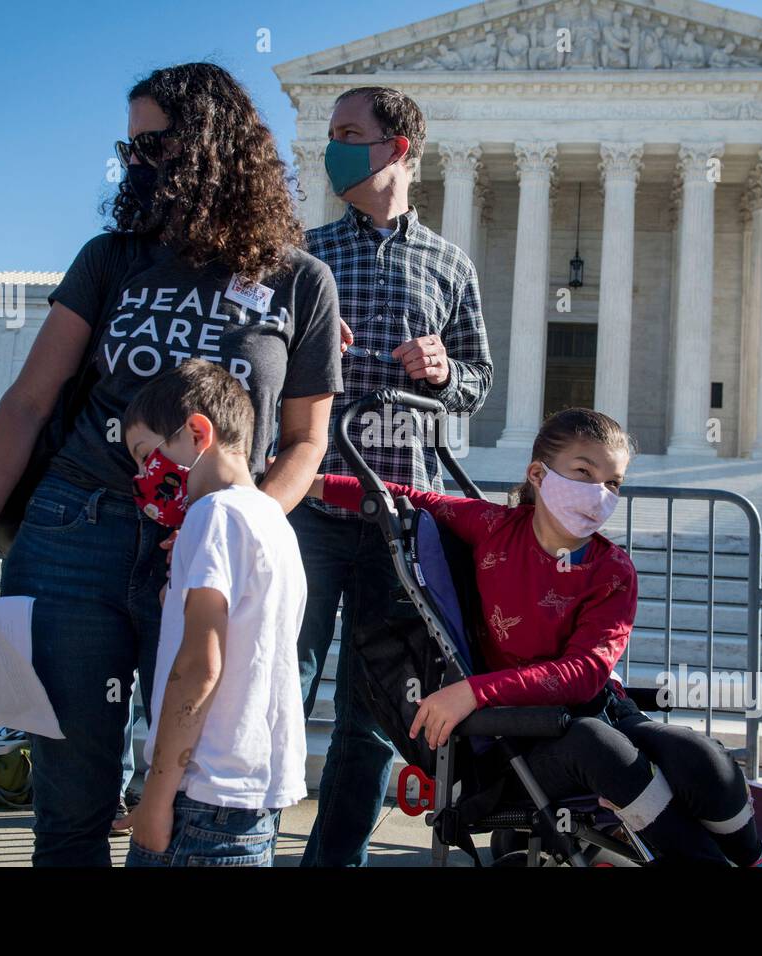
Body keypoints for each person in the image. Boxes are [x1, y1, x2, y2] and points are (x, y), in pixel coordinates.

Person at [0, 62, 341, 866]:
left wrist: (234, 518)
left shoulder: (300, 282)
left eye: (157, 143)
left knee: (185, 794)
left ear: (214, 143)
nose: (138, 162)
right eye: (131, 148)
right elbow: (25, 405)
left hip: (198, 550)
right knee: (72, 801)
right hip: (74, 529)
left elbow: (304, 442)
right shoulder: (112, 258)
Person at [306, 408, 762, 866]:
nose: (600, 494)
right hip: (515, 745)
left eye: (613, 483)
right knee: (596, 743)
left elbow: (586, 675)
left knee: (699, 755)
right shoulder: (494, 528)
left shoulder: (611, 570)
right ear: (538, 473)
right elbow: (404, 498)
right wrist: (305, 482)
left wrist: (473, 691)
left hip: (594, 711)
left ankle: (754, 860)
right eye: (584, 473)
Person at [295, 85, 493, 866]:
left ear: (398, 149)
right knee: (279, 679)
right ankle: (235, 838)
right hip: (308, 501)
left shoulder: (450, 264)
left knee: (371, 715)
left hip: (399, 517)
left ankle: (331, 861)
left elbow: (478, 378)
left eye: (349, 134)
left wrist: (446, 371)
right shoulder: (304, 254)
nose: (332, 147)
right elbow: (262, 364)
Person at [114, 360, 307, 866]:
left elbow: (200, 667)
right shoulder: (273, 520)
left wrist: (155, 797)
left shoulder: (211, 515)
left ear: (198, 431)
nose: (142, 476)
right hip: (251, 799)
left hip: (198, 798)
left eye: (145, 455)